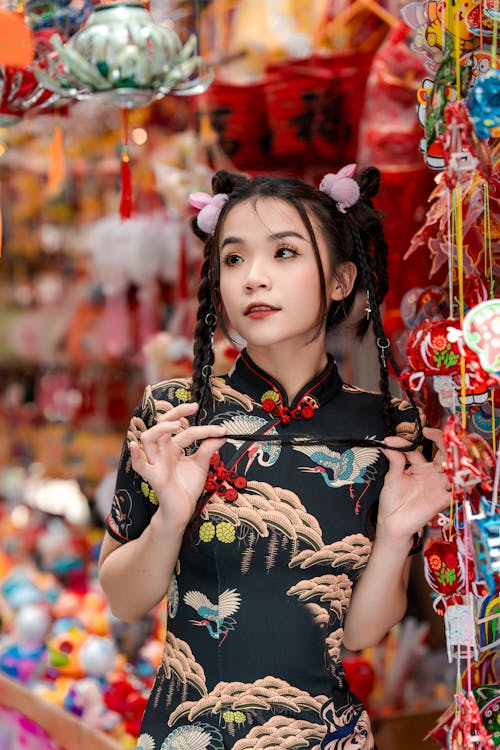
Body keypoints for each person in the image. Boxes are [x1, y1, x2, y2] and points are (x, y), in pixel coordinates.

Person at [98, 166, 452, 750]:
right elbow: (123, 598)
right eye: (233, 260)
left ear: (341, 281)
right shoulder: (176, 414)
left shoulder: (387, 429)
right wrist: (171, 519)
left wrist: (392, 538)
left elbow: (361, 633)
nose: (253, 278)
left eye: (284, 253)